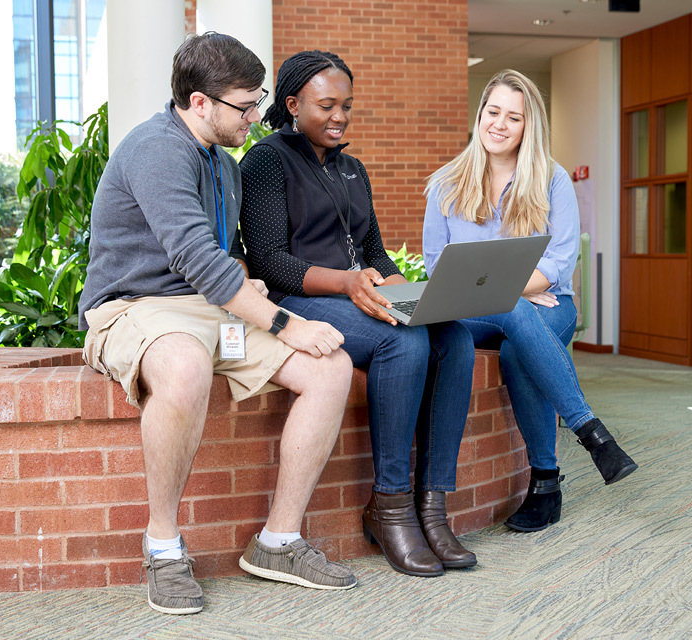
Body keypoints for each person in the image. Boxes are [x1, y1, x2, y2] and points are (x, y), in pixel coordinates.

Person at [79, 33, 358, 615]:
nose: (258, 117)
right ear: (199, 103)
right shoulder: (158, 149)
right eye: (245, 105)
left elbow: (222, 259)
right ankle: (163, 546)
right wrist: (287, 324)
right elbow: (196, 260)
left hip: (207, 307)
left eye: (258, 102)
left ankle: (279, 541)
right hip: (134, 306)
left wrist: (244, 281)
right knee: (183, 367)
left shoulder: (222, 165)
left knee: (329, 367)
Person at [239, 50, 477, 578]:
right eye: (326, 106)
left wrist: (401, 284)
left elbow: (374, 253)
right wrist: (347, 283)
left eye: (346, 105)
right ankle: (389, 505)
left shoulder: (353, 168)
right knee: (404, 341)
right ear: (293, 103)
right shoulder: (266, 161)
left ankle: (432, 506)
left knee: (454, 337)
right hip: (299, 300)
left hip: (358, 295)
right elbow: (269, 261)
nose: (340, 117)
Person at [423, 69, 638, 534]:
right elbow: (439, 268)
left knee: (520, 340)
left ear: (528, 126)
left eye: (513, 117)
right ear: (480, 115)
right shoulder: (445, 184)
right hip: (480, 311)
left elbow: (558, 263)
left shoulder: (552, 179)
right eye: (493, 112)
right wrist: (514, 286)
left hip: (550, 304)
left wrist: (501, 287)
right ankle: (590, 433)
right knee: (513, 307)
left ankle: (545, 481)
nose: (500, 124)